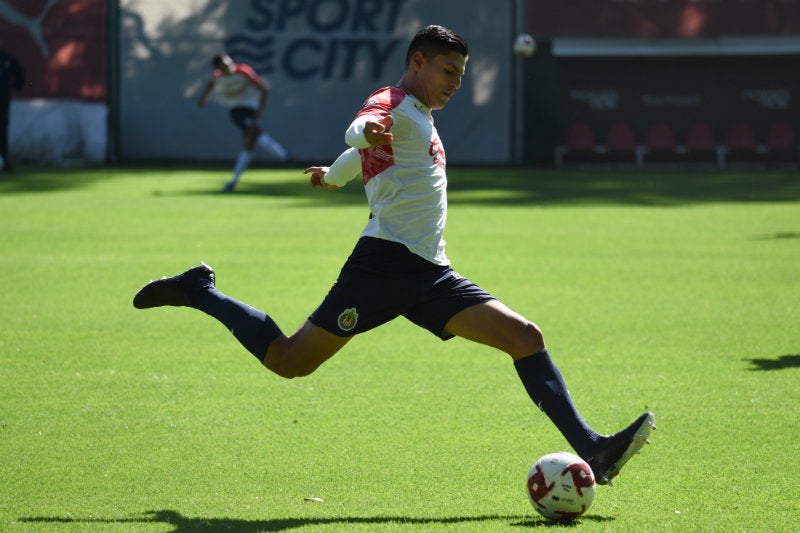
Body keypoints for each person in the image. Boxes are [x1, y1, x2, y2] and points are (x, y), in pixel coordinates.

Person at [135, 25, 654, 486]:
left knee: (525, 337)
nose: (456, 81)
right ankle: (201, 291)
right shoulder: (391, 102)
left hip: (430, 273)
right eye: (448, 70)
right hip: (381, 267)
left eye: (462, 73)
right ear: (418, 62)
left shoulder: (418, 116)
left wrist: (331, 176)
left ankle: (594, 448)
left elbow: (360, 155)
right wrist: (365, 132)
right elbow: (362, 129)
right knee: (289, 362)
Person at [197, 52, 289, 192]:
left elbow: (263, 89)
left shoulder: (244, 72)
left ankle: (234, 180)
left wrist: (260, 109)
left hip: (250, 109)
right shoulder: (217, 77)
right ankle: (283, 155)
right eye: (225, 66)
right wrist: (203, 97)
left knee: (249, 143)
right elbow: (209, 86)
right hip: (236, 111)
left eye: (229, 63)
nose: (229, 67)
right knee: (252, 131)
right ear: (219, 68)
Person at [0, 48, 24, 172]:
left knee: (3, 130)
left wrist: (16, 85)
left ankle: (4, 160)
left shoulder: (7, 58)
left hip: (3, 102)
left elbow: (20, 72)